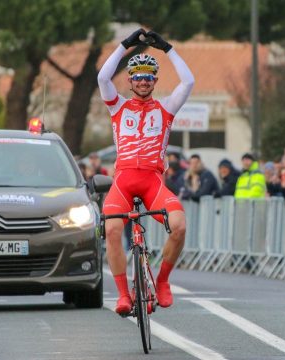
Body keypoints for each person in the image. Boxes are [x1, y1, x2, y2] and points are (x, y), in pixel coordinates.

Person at [97, 28, 194, 314]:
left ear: (154, 81)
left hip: (153, 181)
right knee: (113, 230)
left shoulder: (166, 108)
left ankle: (162, 281)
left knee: (179, 226)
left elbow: (188, 81)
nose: (142, 81)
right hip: (123, 180)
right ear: (129, 81)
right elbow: (103, 77)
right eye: (137, 76)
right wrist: (125, 45)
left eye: (148, 77)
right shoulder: (117, 107)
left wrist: (167, 48)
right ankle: (124, 295)